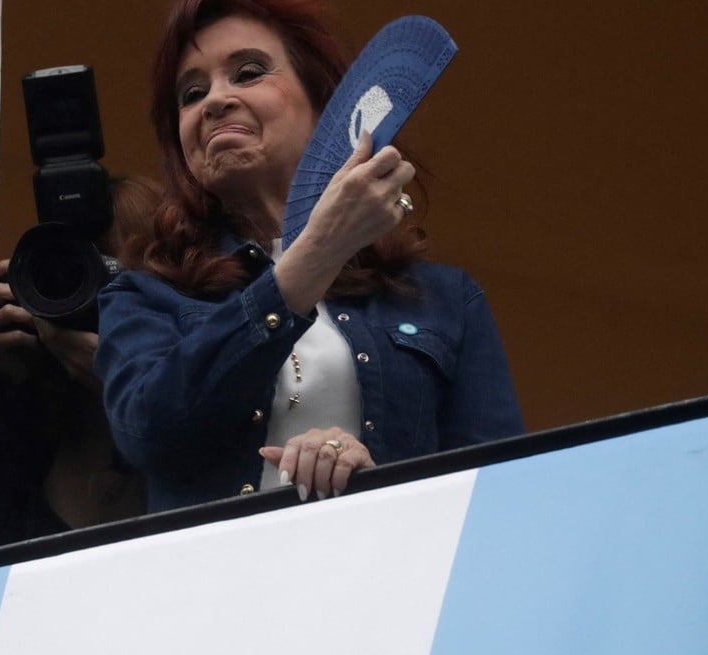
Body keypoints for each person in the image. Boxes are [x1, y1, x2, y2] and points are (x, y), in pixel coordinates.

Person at [94, 0, 524, 513]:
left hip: (390, 561)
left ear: (325, 104)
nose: (216, 101)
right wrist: (312, 260)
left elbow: (499, 497)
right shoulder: (143, 296)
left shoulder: (444, 299)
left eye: (248, 72)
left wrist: (378, 483)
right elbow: (148, 432)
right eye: (192, 94)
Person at [0, 175, 160, 545]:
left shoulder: (202, 416)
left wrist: (125, 390)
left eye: (118, 277)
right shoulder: (18, 430)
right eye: (75, 276)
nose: (100, 301)